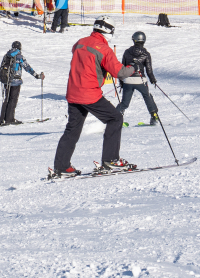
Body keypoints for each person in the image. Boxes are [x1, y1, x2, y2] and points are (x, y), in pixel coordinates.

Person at [50, 16, 136, 179]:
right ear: (109, 31)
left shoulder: (80, 42)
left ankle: (61, 166)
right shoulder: (103, 49)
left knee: (72, 130)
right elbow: (119, 73)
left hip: (73, 92)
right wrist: (133, 68)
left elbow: (80, 54)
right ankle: (111, 159)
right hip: (89, 93)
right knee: (115, 119)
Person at [0, 41, 44, 126]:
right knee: (13, 100)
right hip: (16, 81)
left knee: (6, 99)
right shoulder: (19, 56)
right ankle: (9, 119)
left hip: (6, 80)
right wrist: (37, 76)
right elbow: (27, 67)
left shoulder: (7, 55)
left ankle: (2, 119)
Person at [119, 32, 160, 126]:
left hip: (127, 80)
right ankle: (154, 116)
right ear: (144, 40)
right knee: (147, 97)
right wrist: (153, 80)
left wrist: (121, 82)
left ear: (134, 40)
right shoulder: (146, 54)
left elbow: (123, 67)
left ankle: (115, 119)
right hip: (141, 80)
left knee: (125, 103)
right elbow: (149, 70)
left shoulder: (127, 52)